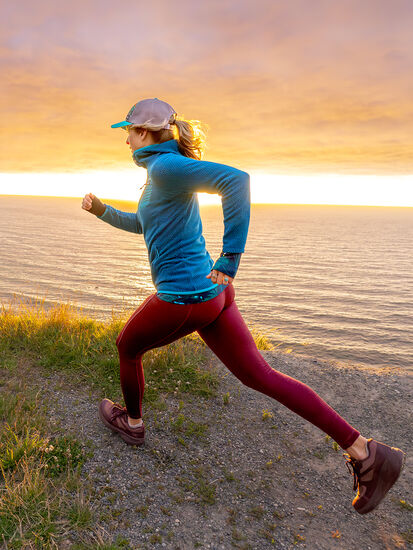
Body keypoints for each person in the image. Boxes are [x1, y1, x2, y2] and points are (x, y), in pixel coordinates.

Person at [81, 97, 406, 515]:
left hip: (185, 297)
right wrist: (102, 211)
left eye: (127, 132)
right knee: (261, 375)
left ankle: (133, 423)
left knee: (127, 346)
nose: (125, 141)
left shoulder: (164, 168)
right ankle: (367, 452)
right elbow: (143, 225)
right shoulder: (161, 176)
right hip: (213, 297)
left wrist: (230, 256)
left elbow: (237, 180)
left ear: (144, 133)